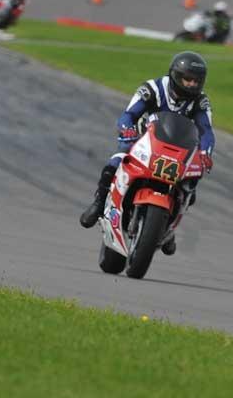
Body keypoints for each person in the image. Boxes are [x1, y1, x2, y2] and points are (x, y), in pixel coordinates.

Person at [79, 51, 215, 255]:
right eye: (187, 80)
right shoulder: (152, 89)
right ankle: (99, 203)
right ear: (175, 75)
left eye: (196, 81)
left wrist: (206, 152)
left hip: (178, 151)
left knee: (191, 185)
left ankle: (168, 228)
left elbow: (206, 130)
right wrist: (127, 128)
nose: (191, 85)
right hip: (142, 142)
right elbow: (129, 114)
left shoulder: (201, 102)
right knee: (115, 163)